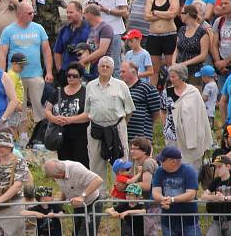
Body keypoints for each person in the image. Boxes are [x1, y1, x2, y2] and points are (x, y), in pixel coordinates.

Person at [151, 146, 200, 236]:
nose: (160, 163)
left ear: (173, 162)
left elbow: (191, 194)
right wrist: (163, 199)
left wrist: (171, 199)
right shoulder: (159, 172)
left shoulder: (188, 171)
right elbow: (155, 192)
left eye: (162, 160)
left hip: (189, 220)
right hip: (168, 221)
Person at [84, 56, 135, 195]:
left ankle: (119, 194)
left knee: (120, 162)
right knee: (95, 161)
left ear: (113, 69)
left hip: (117, 127)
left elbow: (129, 110)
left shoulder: (121, 85)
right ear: (98, 68)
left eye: (108, 66)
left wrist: (121, 125)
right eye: (102, 66)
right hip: (96, 128)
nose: (105, 68)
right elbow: (87, 110)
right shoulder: (90, 86)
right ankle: (99, 195)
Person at [0, 1, 53, 123]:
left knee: (40, 106)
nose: (32, 15)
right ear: (20, 14)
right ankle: (21, 136)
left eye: (33, 12)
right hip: (15, 76)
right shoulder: (8, 30)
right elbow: (2, 53)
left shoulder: (39, 28)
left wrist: (49, 71)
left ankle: (41, 133)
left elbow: (46, 50)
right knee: (18, 108)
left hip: (36, 74)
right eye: (29, 13)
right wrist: (1, 74)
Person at [77, 0, 129, 75]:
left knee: (114, 65)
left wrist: (106, 10)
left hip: (114, 31)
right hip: (97, 32)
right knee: (97, 65)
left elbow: (125, 12)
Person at [125, 136, 160, 236]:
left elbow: (146, 186)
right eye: (131, 147)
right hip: (146, 207)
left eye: (136, 148)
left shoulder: (148, 163)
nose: (132, 150)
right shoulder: (140, 164)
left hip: (151, 206)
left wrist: (129, 184)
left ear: (144, 150)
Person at [45, 61, 90, 166]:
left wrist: (70, 120)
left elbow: (89, 114)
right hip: (61, 134)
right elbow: (47, 110)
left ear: (80, 77)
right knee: (64, 165)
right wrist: (54, 118)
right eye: (69, 75)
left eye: (74, 76)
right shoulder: (58, 91)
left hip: (80, 135)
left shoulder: (86, 92)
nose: (71, 78)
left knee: (81, 164)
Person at [144, 0, 180, 86]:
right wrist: (164, 14)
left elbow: (172, 14)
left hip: (169, 35)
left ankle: (171, 92)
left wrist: (155, 12)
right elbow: (146, 17)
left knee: (171, 67)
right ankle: (153, 94)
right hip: (153, 36)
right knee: (154, 69)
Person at [121, 61, 160, 142]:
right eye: (120, 72)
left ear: (133, 72)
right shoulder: (121, 89)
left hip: (142, 138)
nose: (120, 74)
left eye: (123, 71)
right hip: (124, 137)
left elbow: (156, 113)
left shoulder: (147, 88)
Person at [77, 5, 117, 80]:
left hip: (102, 65)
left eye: (84, 13)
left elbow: (102, 50)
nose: (83, 16)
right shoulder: (92, 28)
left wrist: (84, 60)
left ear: (89, 13)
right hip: (90, 65)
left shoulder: (105, 28)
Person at [172, 5, 210, 81]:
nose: (180, 15)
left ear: (187, 14)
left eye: (182, 13)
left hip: (194, 71)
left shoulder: (202, 32)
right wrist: (173, 63)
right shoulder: (182, 29)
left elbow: (203, 55)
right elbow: (176, 50)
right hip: (179, 71)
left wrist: (185, 63)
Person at [197, 65, 219, 129]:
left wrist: (198, 95)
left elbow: (205, 98)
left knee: (205, 127)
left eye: (202, 76)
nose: (201, 78)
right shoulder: (215, 85)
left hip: (206, 111)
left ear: (205, 76)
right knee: (210, 126)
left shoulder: (208, 86)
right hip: (212, 110)